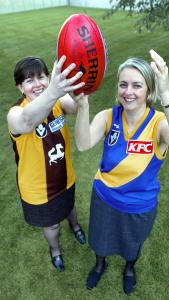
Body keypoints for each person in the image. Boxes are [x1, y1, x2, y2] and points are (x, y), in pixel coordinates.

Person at [73, 49, 169, 295]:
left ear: (148, 91)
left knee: (131, 245)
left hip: (139, 205)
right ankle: (100, 264)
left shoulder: (158, 123)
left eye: (137, 85)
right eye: (123, 84)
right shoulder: (108, 116)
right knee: (100, 240)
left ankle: (129, 268)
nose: (128, 92)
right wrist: (83, 107)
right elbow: (83, 144)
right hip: (104, 199)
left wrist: (166, 90)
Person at [7, 55, 86, 272]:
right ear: (20, 87)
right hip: (38, 188)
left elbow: (75, 105)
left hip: (65, 175)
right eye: (29, 80)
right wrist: (52, 90)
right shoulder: (15, 113)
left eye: (41, 77)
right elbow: (27, 121)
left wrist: (81, 87)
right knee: (51, 223)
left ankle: (76, 227)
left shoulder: (57, 103)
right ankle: (55, 250)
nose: (38, 83)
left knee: (70, 207)